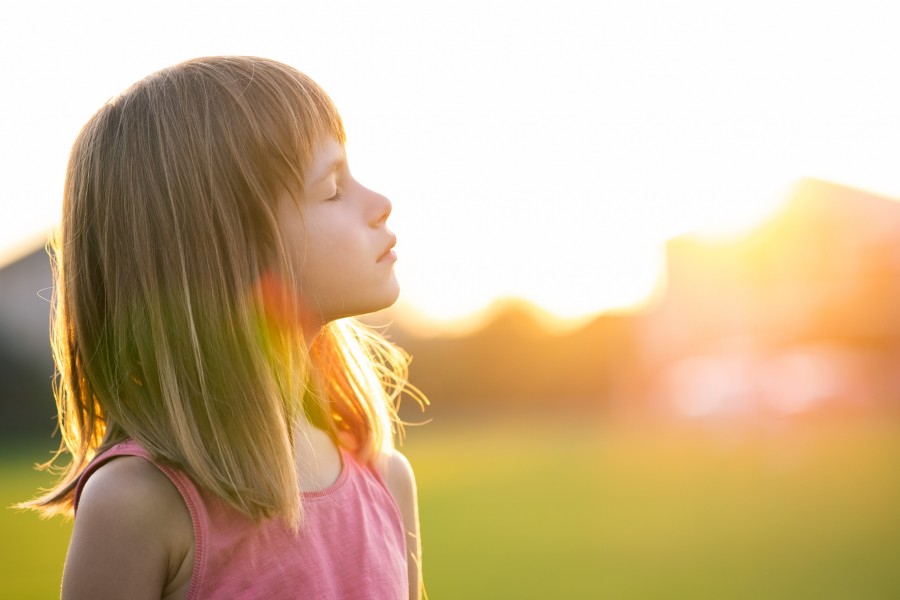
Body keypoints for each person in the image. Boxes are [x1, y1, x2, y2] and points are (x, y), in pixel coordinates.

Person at [22, 56, 426, 599]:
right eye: (332, 188)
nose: (380, 204)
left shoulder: (386, 478)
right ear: (225, 253)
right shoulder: (138, 504)